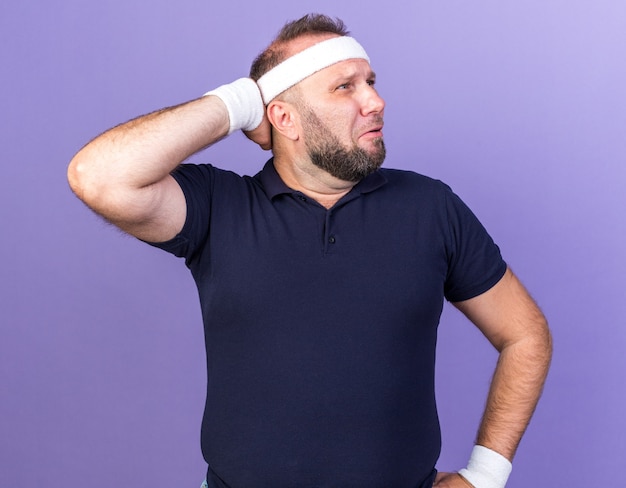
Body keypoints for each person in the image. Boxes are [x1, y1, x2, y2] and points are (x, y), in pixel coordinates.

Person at [67, 13, 552, 488]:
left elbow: (525, 334)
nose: (376, 101)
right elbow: (98, 176)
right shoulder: (219, 207)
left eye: (371, 82)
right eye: (346, 87)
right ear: (283, 117)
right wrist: (240, 103)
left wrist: (486, 477)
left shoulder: (430, 206)